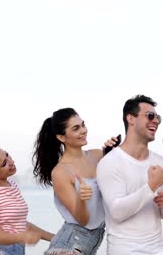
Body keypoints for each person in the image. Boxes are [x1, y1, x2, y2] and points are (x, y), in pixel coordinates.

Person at [97, 94, 163, 255]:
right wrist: (151, 186)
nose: (156, 121)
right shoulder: (110, 162)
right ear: (131, 119)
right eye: (150, 116)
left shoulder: (161, 162)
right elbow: (117, 212)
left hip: (160, 250)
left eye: (157, 117)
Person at [33, 108, 115, 255]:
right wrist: (81, 199)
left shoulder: (97, 155)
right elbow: (82, 220)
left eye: (83, 125)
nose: (83, 130)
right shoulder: (60, 172)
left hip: (90, 245)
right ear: (61, 137)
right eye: (76, 128)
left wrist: (113, 152)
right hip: (68, 247)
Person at [0, 144, 54, 255]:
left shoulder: (12, 184)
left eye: (7, 155)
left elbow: (20, 224)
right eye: (4, 164)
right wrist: (23, 236)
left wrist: (53, 238)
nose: (11, 162)